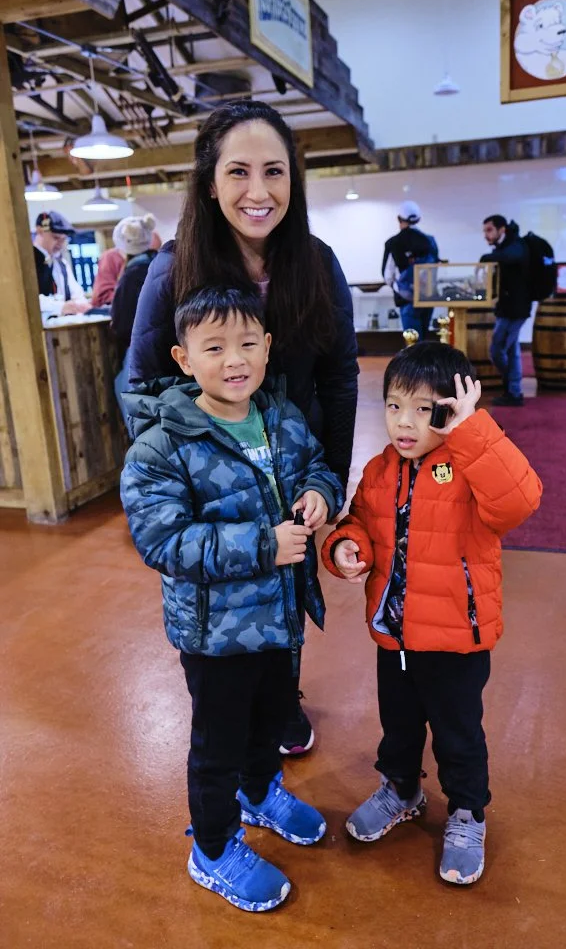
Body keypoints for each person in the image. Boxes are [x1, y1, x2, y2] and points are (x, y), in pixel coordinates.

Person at [127, 100, 358, 755]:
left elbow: (340, 377)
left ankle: (283, 702)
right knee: (222, 607)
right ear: (209, 182)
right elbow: (141, 385)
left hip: (291, 466)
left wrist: (330, 484)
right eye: (238, 172)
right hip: (209, 485)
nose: (259, 191)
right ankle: (227, 728)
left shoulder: (316, 263)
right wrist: (174, 478)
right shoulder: (172, 269)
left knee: (286, 587)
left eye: (274, 172)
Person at [120, 286, 344, 911]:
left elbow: (318, 465)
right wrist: (263, 545)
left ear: (267, 348)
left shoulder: (281, 415)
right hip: (215, 634)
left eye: (247, 343)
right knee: (218, 744)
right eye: (214, 347)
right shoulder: (162, 445)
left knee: (272, 719)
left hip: (281, 616)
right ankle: (213, 848)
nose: (235, 359)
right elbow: (163, 540)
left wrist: (321, 494)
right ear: (184, 358)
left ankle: (261, 792)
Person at [322, 342, 541, 886]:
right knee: (397, 726)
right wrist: (347, 547)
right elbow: (359, 523)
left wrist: (472, 430)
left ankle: (467, 811)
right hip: (395, 637)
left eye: (424, 409)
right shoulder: (380, 470)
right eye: (395, 406)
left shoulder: (470, 465)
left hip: (456, 641)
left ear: (451, 410)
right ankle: (401, 789)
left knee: (457, 733)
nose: (404, 422)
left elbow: (519, 501)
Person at [110, 214, 158, 427]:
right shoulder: (160, 265)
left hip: (140, 350)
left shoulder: (131, 276)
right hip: (167, 347)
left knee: (134, 406)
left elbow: (122, 324)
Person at [480, 215, 531, 407]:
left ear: (502, 229)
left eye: (489, 230)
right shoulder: (506, 246)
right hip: (509, 308)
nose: (486, 235)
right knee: (510, 350)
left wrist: (487, 258)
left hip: (516, 309)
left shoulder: (515, 244)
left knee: (498, 350)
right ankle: (513, 390)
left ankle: (513, 389)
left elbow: (511, 256)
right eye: (485, 231)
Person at [381, 201, 439, 339]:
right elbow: (435, 268)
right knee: (425, 340)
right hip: (428, 298)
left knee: (412, 342)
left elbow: (387, 275)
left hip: (407, 299)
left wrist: (400, 288)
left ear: (399, 219)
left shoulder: (393, 242)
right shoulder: (430, 241)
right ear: (418, 219)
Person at [33, 210, 91, 317]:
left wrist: (79, 304)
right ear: (40, 231)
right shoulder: (28, 261)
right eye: (55, 238)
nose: (60, 243)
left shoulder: (61, 263)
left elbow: (76, 293)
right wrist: (60, 307)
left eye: (63, 239)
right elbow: (28, 298)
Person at [92, 229, 162, 308]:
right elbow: (101, 297)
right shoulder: (111, 258)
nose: (151, 257)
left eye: (156, 253)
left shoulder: (154, 266)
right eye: (149, 252)